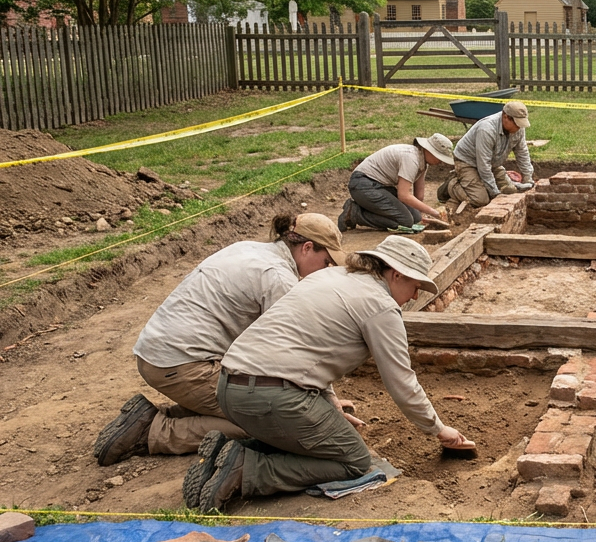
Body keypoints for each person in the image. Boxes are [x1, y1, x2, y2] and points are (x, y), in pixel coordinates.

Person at [193, 235, 474, 513]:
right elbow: (401, 381)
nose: (414, 296)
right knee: (354, 460)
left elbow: (307, 347)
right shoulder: (380, 306)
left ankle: (226, 453)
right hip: (270, 396)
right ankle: (246, 469)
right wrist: (438, 428)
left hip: (228, 386)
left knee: (316, 441)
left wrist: (329, 403)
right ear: (397, 274)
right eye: (415, 286)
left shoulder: (331, 277)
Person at [93, 213, 346, 485]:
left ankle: (148, 418)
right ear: (307, 248)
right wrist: (322, 400)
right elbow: (295, 349)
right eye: (326, 262)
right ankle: (155, 432)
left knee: (255, 398)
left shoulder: (250, 249)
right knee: (269, 421)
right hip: (182, 365)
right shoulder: (278, 278)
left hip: (159, 354)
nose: (327, 269)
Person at [339, 134, 454, 231]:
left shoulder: (422, 161)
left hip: (380, 186)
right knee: (405, 221)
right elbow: (403, 195)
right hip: (363, 184)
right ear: (428, 150)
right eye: (439, 157)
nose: (441, 161)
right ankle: (354, 213)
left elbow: (419, 194)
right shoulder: (411, 159)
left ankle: (365, 208)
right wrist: (434, 212)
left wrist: (421, 215)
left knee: (415, 218)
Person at [439, 101, 535, 209]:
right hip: (467, 162)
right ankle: (451, 185)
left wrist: (528, 179)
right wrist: (495, 194)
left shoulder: (519, 128)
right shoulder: (487, 129)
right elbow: (483, 165)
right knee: (481, 200)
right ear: (505, 117)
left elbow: (522, 153)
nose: (519, 127)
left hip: (492, 162)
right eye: (517, 123)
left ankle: (478, 185)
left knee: (510, 191)